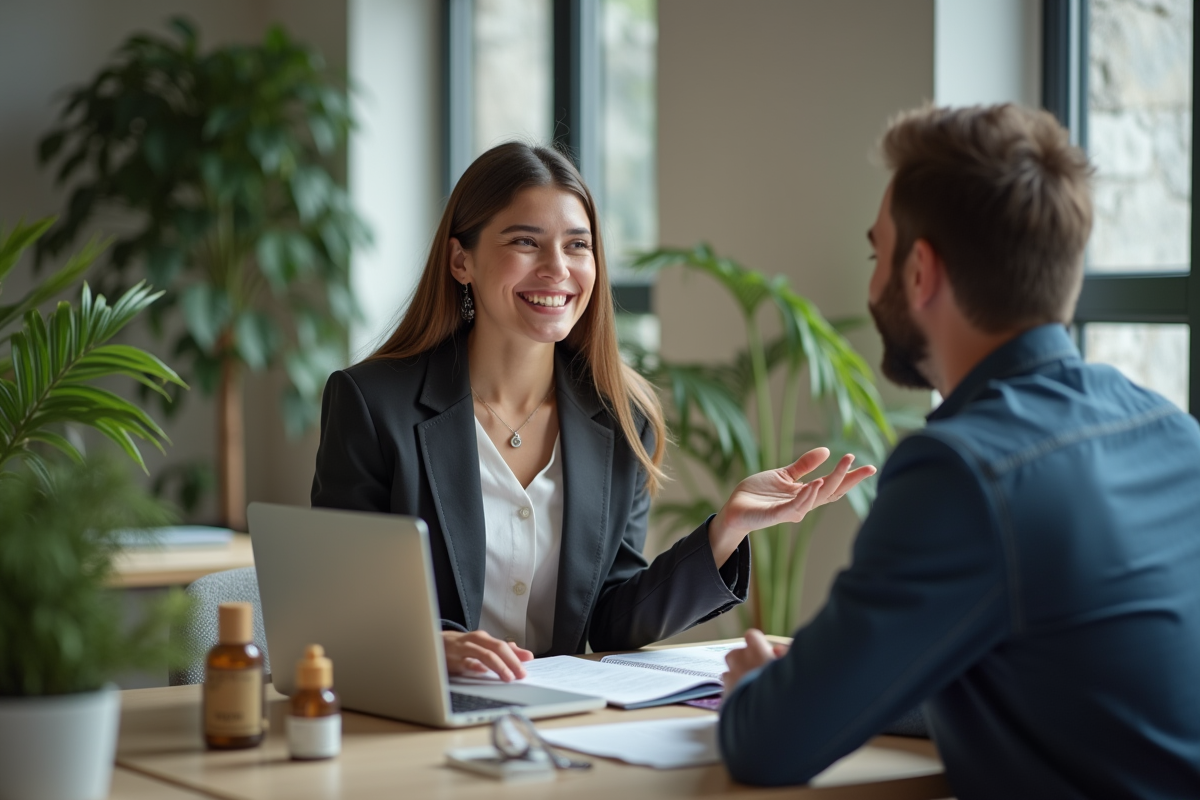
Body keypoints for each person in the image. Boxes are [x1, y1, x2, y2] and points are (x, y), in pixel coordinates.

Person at [719, 104, 1200, 798]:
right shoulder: (1173, 433)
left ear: (920, 272)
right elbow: (1073, 684)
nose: (871, 282)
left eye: (875, 254)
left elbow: (768, 745)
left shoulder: (962, 472)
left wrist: (761, 689)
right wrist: (856, 673)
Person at [311, 142, 875, 681]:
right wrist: (431, 646)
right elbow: (335, 606)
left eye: (578, 246)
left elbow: (610, 619)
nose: (558, 268)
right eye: (526, 242)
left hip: (558, 727)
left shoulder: (621, 418)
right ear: (462, 260)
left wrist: (724, 531)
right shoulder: (371, 404)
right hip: (413, 725)